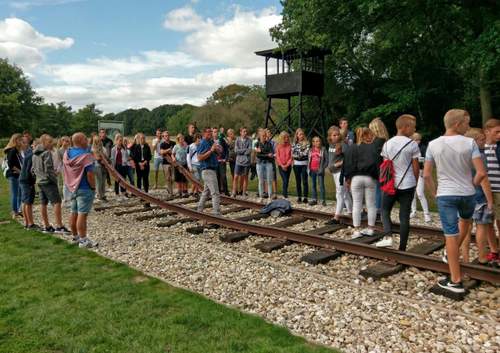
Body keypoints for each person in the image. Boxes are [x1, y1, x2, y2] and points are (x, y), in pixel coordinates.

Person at [423, 109, 486, 294]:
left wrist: (435, 193)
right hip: (467, 193)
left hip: (446, 195)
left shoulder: (433, 145)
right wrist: (472, 186)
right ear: (457, 124)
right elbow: (481, 172)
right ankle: (449, 256)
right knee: (465, 222)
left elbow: (426, 174)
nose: (468, 126)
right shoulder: (470, 143)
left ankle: (455, 281)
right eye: (467, 123)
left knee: (450, 235)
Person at [375, 114, 420, 250]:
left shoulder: (387, 144)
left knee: (385, 210)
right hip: (408, 185)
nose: (414, 129)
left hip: (390, 185)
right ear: (405, 127)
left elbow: (385, 166)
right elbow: (415, 167)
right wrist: (415, 182)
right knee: (404, 216)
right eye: (413, 127)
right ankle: (402, 247)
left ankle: (388, 236)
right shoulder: (412, 145)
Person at [461, 128, 493, 265]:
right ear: (473, 141)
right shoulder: (480, 156)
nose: (484, 141)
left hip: (464, 197)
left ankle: (466, 259)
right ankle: (482, 257)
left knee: (465, 230)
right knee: (481, 227)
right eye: (482, 139)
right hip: (480, 198)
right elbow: (484, 180)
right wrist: (490, 200)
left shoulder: (462, 156)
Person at [343, 128, 379, 238]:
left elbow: (348, 164)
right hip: (370, 178)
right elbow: (377, 163)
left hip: (356, 178)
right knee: (371, 204)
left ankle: (357, 230)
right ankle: (371, 228)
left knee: (357, 204)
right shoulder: (373, 147)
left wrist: (348, 179)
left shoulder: (352, 147)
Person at [64, 132, 97, 248]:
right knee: (82, 214)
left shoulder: (67, 153)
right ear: (80, 141)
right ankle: (83, 240)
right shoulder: (85, 156)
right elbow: (90, 174)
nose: (87, 140)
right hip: (84, 187)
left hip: (72, 187)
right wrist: (93, 187)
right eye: (85, 138)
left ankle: (75, 237)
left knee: (74, 212)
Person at [32, 134, 70, 234]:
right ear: (43, 142)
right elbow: (48, 169)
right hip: (48, 181)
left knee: (43, 203)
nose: (51, 143)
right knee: (57, 202)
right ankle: (59, 226)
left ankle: (47, 226)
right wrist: (54, 178)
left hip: (39, 181)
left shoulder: (34, 153)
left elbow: (33, 169)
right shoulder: (46, 153)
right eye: (49, 142)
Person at [483, 118, 500, 264]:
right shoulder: (480, 148)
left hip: (499, 190)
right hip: (485, 191)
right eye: (497, 132)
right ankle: (494, 250)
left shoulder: (498, 148)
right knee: (487, 222)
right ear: (487, 131)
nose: (499, 135)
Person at [327, 126, 352, 223]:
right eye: (334, 135)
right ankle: (351, 212)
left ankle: (336, 217)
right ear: (330, 136)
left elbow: (349, 157)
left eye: (337, 135)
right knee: (345, 193)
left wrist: (339, 163)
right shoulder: (331, 145)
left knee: (340, 193)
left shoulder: (342, 145)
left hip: (341, 172)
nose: (336, 136)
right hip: (334, 172)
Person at [197, 127, 221, 215]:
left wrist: (217, 149)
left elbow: (218, 152)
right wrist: (211, 150)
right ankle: (216, 214)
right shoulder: (202, 143)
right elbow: (199, 157)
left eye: (211, 132)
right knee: (215, 193)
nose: (210, 134)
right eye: (208, 132)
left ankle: (199, 210)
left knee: (206, 192)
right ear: (204, 134)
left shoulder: (211, 142)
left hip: (212, 169)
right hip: (207, 170)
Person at [369, 117, 389, 216]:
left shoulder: (377, 141)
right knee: (380, 191)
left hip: (378, 170)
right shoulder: (384, 140)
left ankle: (378, 210)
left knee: (378, 191)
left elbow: (376, 159)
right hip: (383, 169)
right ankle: (380, 209)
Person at [410, 132, 431, 222]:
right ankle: (414, 211)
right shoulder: (410, 148)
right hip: (411, 172)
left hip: (421, 172)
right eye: (415, 140)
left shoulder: (423, 148)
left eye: (418, 140)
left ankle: (426, 214)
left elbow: (427, 160)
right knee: (412, 194)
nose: (417, 142)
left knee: (420, 193)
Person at [19, 138, 38, 229]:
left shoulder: (29, 154)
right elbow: (29, 170)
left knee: (24, 201)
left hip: (23, 180)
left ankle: (26, 222)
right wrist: (31, 182)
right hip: (27, 181)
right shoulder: (32, 156)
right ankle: (30, 223)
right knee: (28, 202)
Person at [4, 133, 23, 219]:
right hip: (13, 175)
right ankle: (15, 211)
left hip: (17, 174)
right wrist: (21, 171)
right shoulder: (12, 150)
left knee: (19, 193)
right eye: (20, 140)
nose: (21, 142)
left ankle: (19, 210)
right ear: (15, 140)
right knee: (15, 193)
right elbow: (11, 164)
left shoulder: (16, 150)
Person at [255, 129, 275, 203]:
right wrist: (266, 154)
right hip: (260, 163)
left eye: (265, 136)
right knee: (261, 181)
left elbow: (271, 153)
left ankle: (270, 197)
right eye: (262, 136)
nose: (264, 137)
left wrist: (263, 153)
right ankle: (261, 197)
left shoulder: (269, 144)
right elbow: (258, 155)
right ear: (259, 136)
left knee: (269, 180)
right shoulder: (257, 144)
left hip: (268, 163)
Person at [232, 127, 252, 197]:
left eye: (246, 131)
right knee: (236, 177)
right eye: (244, 131)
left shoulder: (249, 140)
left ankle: (243, 192)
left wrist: (241, 151)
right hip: (238, 162)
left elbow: (249, 151)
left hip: (246, 162)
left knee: (245, 177)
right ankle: (234, 192)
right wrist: (244, 150)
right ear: (240, 132)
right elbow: (236, 150)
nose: (245, 133)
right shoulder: (237, 139)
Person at [308, 136, 328, 206]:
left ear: (320, 142)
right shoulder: (310, 150)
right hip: (312, 170)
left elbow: (326, 161)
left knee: (321, 185)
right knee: (313, 185)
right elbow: (309, 160)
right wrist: (309, 168)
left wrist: (322, 168)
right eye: (315, 141)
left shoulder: (323, 149)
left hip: (320, 170)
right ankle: (314, 199)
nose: (317, 143)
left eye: (318, 141)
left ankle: (323, 200)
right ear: (313, 143)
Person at [292, 128, 310, 203]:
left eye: (302, 134)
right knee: (298, 181)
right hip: (296, 165)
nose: (301, 136)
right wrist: (300, 154)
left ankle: (305, 197)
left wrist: (298, 154)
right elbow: (292, 154)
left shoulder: (307, 143)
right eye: (299, 134)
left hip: (304, 164)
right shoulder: (294, 144)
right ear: (297, 135)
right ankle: (299, 197)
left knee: (305, 181)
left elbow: (306, 153)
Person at [110, 134, 130, 199]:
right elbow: (112, 158)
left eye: (121, 140)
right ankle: (117, 193)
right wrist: (112, 167)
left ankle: (123, 192)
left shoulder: (124, 148)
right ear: (116, 141)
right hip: (116, 166)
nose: (120, 142)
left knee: (123, 179)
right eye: (119, 140)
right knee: (117, 180)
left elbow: (126, 157)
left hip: (123, 165)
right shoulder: (113, 149)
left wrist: (126, 163)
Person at [275, 131, 293, 199]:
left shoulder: (290, 146)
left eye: (287, 137)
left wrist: (287, 165)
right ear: (282, 138)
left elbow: (291, 157)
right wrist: (282, 165)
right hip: (281, 166)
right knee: (285, 180)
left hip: (288, 166)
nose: (286, 138)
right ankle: (284, 194)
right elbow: (278, 157)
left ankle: (285, 193)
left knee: (287, 180)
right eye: (285, 137)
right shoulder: (278, 146)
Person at [91, 135, 108, 201]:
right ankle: (99, 195)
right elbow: (96, 158)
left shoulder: (103, 148)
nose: (98, 142)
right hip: (96, 166)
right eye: (96, 141)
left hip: (104, 166)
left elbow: (106, 157)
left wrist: (105, 161)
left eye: (99, 141)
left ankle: (103, 194)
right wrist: (100, 158)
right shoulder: (92, 149)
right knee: (99, 181)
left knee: (103, 181)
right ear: (94, 142)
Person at [172, 133, 189, 197]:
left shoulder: (186, 146)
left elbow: (188, 154)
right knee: (178, 178)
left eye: (183, 138)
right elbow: (172, 154)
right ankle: (179, 191)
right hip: (177, 164)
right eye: (180, 139)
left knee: (184, 178)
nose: (182, 140)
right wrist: (173, 158)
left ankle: (185, 191)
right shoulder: (176, 146)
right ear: (178, 140)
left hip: (184, 164)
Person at [56, 136, 72, 206]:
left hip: (71, 168)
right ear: (62, 141)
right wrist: (58, 169)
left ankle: (70, 197)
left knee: (71, 182)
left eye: (68, 141)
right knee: (65, 183)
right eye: (66, 141)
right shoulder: (59, 150)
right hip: (63, 168)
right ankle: (65, 199)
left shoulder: (70, 149)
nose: (67, 143)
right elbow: (59, 161)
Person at [160, 131, 175, 196]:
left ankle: (168, 188)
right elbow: (161, 152)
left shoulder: (173, 143)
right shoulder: (162, 144)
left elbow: (175, 151)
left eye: (168, 135)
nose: (167, 137)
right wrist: (168, 150)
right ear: (163, 137)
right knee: (168, 178)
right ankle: (171, 193)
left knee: (173, 178)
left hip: (173, 162)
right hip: (165, 163)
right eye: (165, 136)